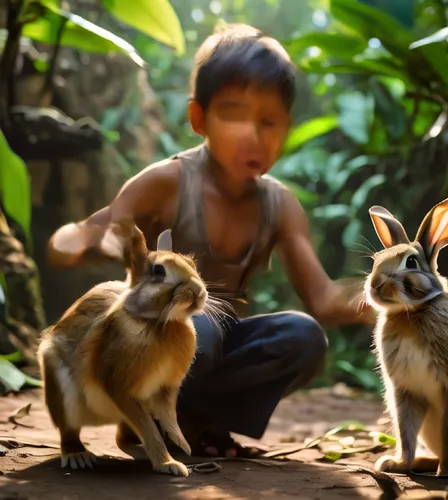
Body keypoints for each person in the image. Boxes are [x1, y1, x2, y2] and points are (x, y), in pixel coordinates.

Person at [47, 23, 375, 459]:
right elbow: (93, 228)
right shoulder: (167, 181)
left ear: (286, 128)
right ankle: (140, 421)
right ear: (199, 118)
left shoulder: (280, 205)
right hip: (160, 334)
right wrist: (75, 241)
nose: (252, 136)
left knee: (303, 337)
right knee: (197, 330)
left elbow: (322, 299)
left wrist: (381, 301)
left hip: (222, 339)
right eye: (234, 115)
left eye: (268, 121)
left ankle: (196, 421)